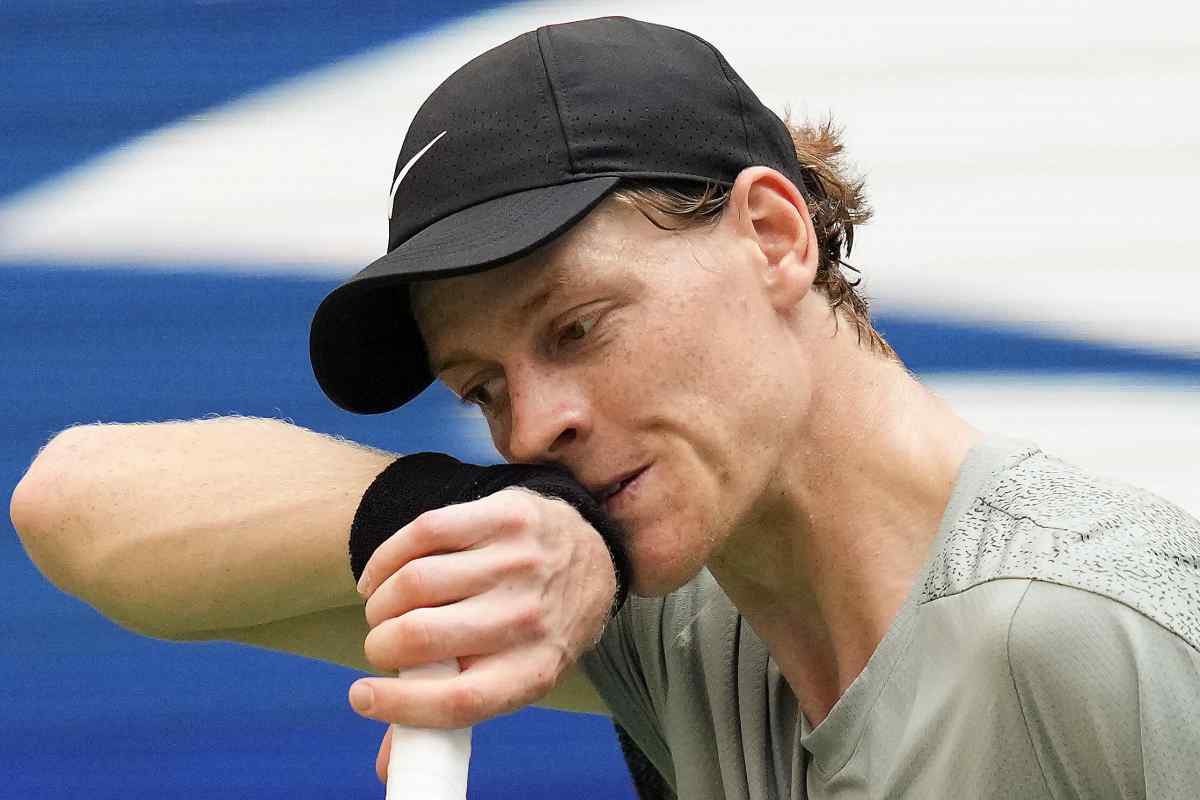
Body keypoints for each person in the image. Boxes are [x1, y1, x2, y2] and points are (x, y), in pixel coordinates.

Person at [11, 15, 1200, 799]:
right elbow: (70, 506)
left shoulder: (1091, 630)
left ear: (773, 235)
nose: (532, 430)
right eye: (482, 387)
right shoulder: (679, 602)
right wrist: (493, 519)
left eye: (577, 327)